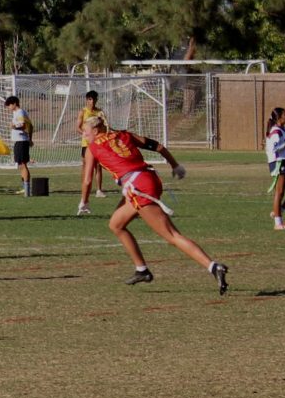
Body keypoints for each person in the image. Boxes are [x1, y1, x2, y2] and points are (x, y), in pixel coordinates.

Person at [80, 116, 229, 295]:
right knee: (116, 225)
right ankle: (141, 270)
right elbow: (158, 146)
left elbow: (87, 179)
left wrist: (84, 201)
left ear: (96, 131)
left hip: (137, 186)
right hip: (148, 178)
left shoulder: (92, 148)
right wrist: (175, 165)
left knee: (172, 235)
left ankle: (213, 267)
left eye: (85, 132)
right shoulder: (123, 135)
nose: (84, 136)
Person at [76, 91, 108, 214]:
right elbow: (78, 127)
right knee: (86, 167)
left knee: (99, 167)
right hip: (86, 144)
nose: (92, 101)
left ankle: (99, 190)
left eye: (93, 99)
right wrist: (86, 134)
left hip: (98, 143)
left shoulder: (100, 112)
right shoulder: (83, 111)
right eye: (89, 99)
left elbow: (105, 126)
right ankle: (85, 190)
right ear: (86, 100)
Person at [5, 95, 33, 196]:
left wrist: (13, 126)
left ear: (14, 104)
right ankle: (25, 187)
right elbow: (31, 125)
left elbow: (23, 125)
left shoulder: (20, 112)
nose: (8, 108)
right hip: (20, 141)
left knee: (23, 164)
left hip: (21, 141)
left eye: (9, 105)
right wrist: (30, 139)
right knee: (21, 165)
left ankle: (27, 189)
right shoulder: (19, 113)